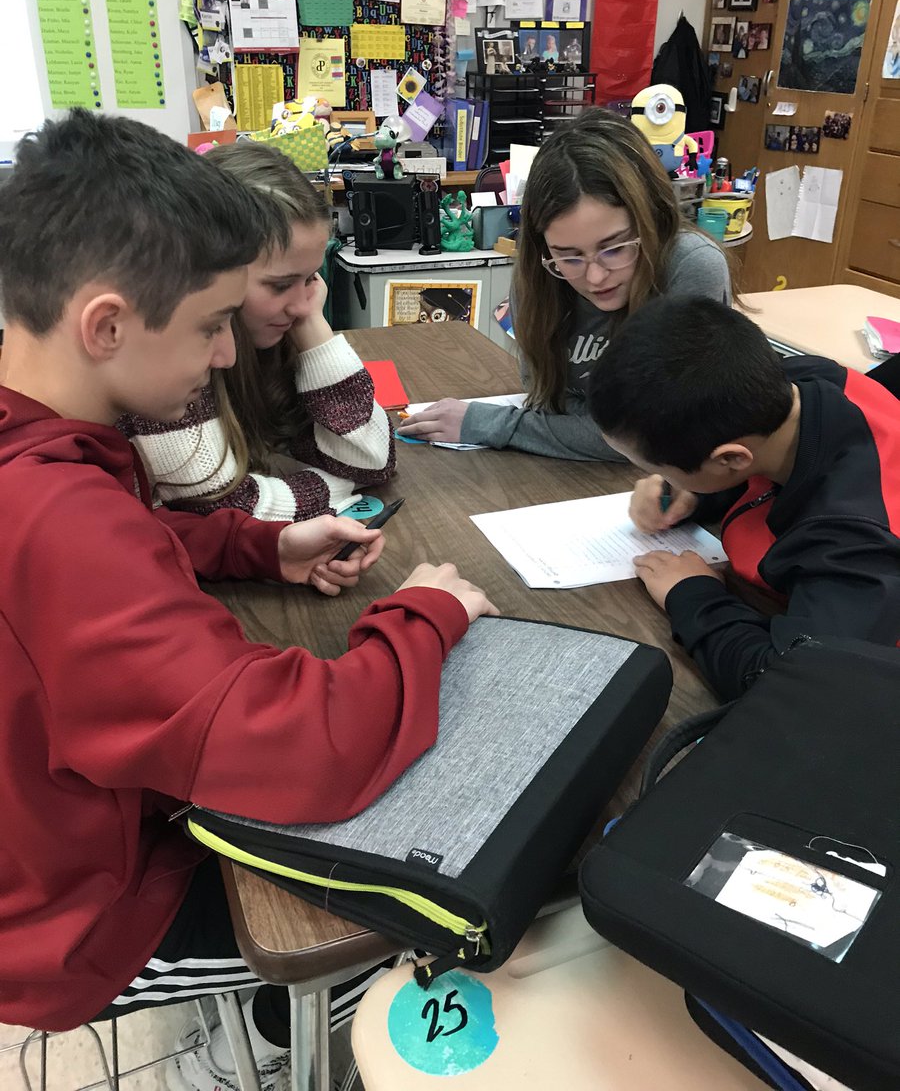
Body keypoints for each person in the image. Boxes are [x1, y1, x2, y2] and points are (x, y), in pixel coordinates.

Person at [0, 111, 497, 1081]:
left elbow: (124, 549)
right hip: (77, 923)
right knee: (409, 899)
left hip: (58, 842)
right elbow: (306, 747)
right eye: (207, 326)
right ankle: (256, 1055)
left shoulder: (41, 455)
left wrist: (259, 546)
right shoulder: (60, 523)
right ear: (106, 325)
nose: (227, 356)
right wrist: (425, 617)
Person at [587, 297, 900, 701]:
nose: (654, 479)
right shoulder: (796, 382)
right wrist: (692, 492)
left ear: (731, 458)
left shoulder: (856, 545)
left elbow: (792, 689)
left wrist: (693, 594)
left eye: (660, 469)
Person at [397, 108, 731, 460]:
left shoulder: (691, 265)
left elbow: (658, 436)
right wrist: (601, 428)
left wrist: (496, 424)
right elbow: (547, 399)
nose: (595, 277)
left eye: (615, 249)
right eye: (569, 257)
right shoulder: (540, 271)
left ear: (651, 220)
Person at [121, 142, 394, 523]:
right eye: (280, 285)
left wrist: (313, 326)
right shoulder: (168, 364)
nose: (301, 304)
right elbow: (227, 509)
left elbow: (372, 458)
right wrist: (337, 485)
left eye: (310, 279)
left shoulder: (272, 336)